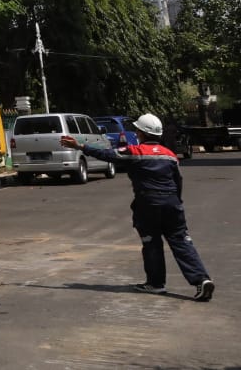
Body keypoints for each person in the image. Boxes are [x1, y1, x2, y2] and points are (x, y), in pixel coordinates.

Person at [61, 113, 214, 301]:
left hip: (148, 204)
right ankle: (201, 280)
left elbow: (107, 154)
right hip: (172, 204)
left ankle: (156, 284)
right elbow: (178, 181)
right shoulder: (170, 155)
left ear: (141, 133)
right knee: (182, 241)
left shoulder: (135, 152)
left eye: (137, 130)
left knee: (152, 243)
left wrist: (80, 146)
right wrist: (177, 202)